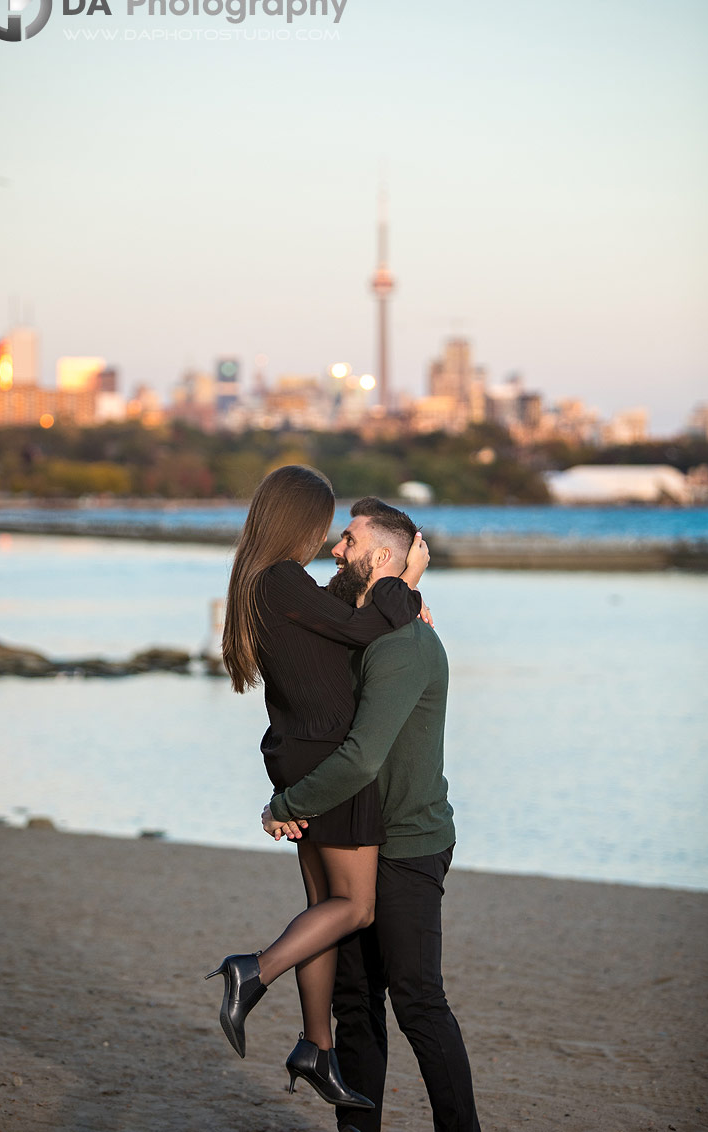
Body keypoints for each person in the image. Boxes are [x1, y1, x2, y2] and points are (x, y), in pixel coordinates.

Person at [207, 465, 430, 1111]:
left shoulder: (271, 584)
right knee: (354, 908)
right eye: (324, 523)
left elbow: (347, 613)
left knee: (320, 912)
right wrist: (404, 587)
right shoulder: (279, 580)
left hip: (297, 753)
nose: (329, 540)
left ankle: (315, 1047)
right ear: (298, 520)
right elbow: (364, 630)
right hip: (328, 758)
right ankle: (253, 970)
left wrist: (396, 597)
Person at [263, 496, 483, 1132]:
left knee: (417, 1002)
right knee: (355, 1005)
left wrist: (288, 806)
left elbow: (360, 758)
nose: (336, 549)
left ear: (382, 557)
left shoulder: (404, 647)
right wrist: (406, 588)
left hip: (407, 844)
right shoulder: (353, 633)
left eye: (349, 540)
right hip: (354, 838)